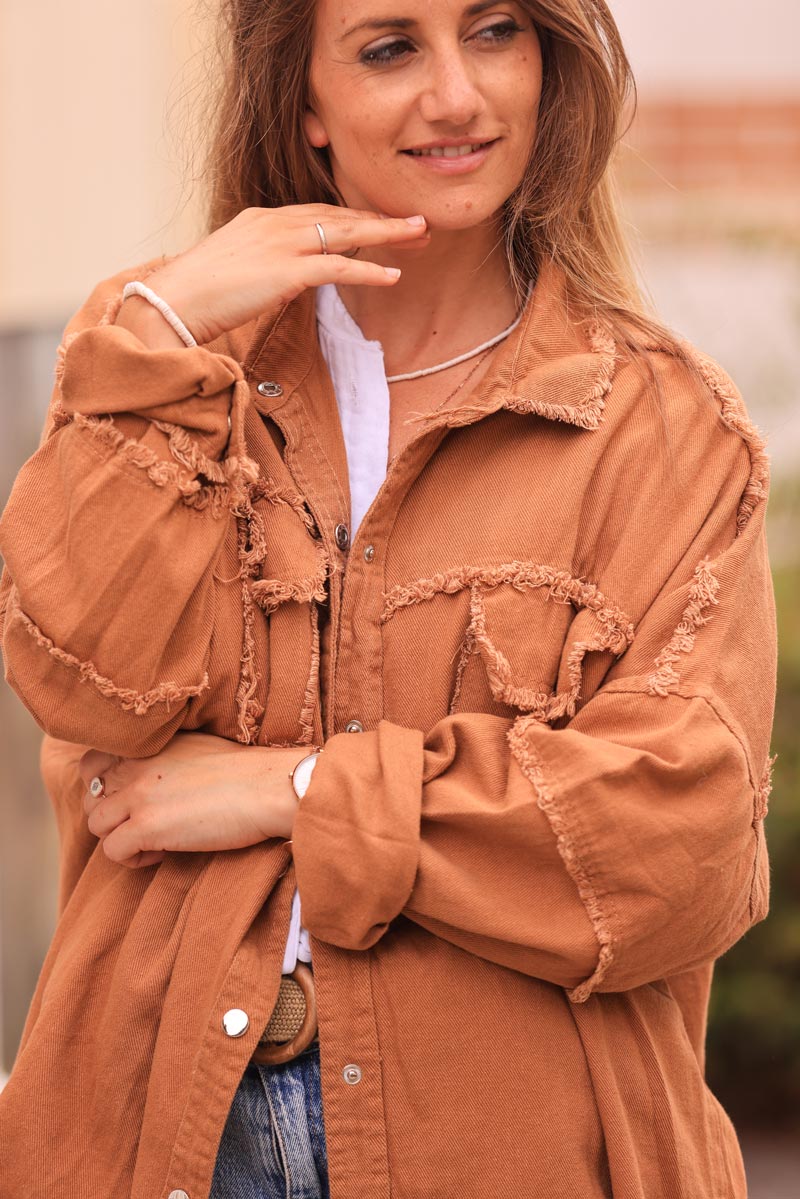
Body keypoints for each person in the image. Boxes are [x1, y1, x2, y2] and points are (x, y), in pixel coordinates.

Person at [0, 0, 778, 1196]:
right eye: (387, 46)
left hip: (520, 1148)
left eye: (494, 32)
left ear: (549, 65)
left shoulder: (660, 429)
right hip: (154, 1132)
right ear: (304, 104)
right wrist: (156, 338)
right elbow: (79, 680)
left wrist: (289, 788)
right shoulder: (164, 375)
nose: (456, 94)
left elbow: (673, 847)